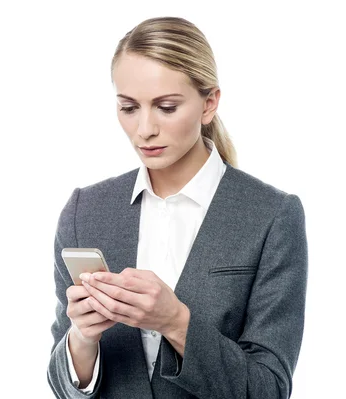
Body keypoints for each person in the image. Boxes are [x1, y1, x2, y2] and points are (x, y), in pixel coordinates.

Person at [47, 16, 308, 399]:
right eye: (129, 107)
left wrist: (177, 322)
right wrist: (82, 340)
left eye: (166, 107)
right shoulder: (84, 211)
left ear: (209, 103)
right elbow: (61, 385)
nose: (144, 129)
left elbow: (268, 389)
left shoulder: (271, 216)